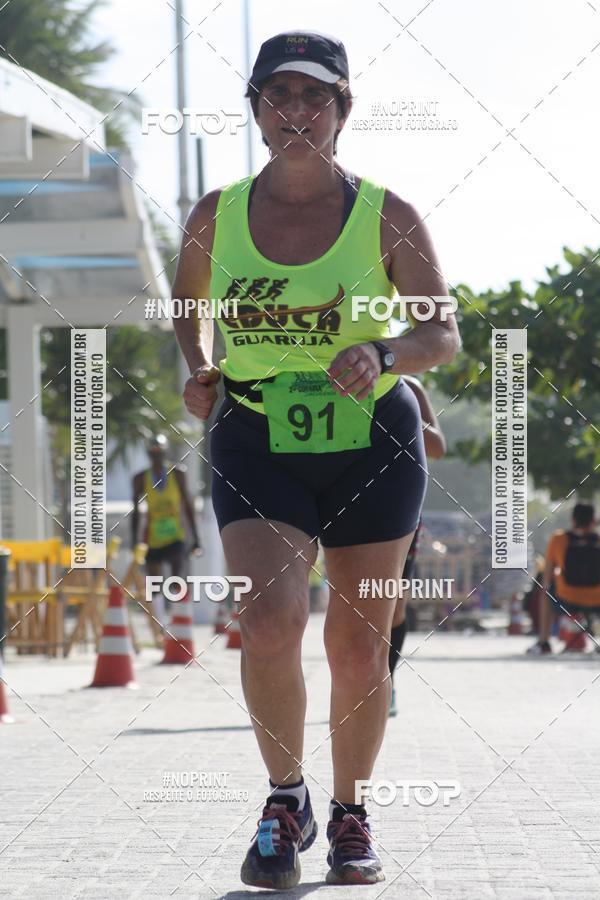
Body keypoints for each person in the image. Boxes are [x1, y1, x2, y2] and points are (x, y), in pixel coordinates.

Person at [172, 30, 460, 890]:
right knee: (267, 622)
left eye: (315, 95)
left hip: (372, 442)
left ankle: (349, 813)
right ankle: (285, 800)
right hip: (256, 435)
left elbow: (442, 332)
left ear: (343, 110)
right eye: (279, 94)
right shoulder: (215, 215)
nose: (296, 109)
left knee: (360, 647)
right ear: (256, 109)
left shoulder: (388, 215)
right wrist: (200, 368)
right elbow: (187, 307)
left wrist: (384, 352)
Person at [388, 376, 446, 717]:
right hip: (345, 503)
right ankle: (356, 683)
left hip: (400, 508)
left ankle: (386, 681)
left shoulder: (410, 386)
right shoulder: (340, 372)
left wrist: (400, 409)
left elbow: (437, 447)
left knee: (393, 606)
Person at [131, 435, 201, 623]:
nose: (157, 457)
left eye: (160, 453)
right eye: (153, 453)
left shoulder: (177, 473)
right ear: (148, 454)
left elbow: (188, 506)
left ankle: (180, 621)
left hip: (175, 536)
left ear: (165, 453)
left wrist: (196, 538)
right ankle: (160, 625)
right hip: (152, 537)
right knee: (155, 584)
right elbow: (135, 511)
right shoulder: (141, 478)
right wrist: (135, 541)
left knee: (177, 578)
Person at [527, 503, 600, 655]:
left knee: (546, 593)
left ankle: (544, 642)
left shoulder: (559, 538)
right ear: (593, 521)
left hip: (567, 599)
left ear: (573, 520)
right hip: (596, 601)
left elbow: (547, 577)